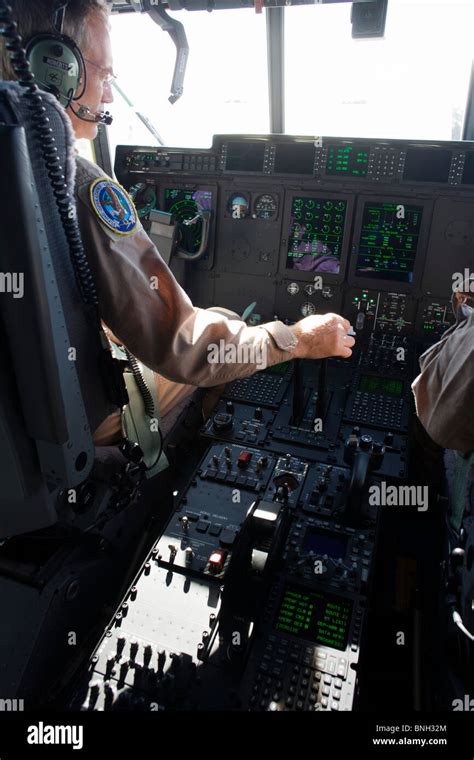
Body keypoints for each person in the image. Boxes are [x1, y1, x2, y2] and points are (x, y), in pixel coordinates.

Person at [0, 0, 355, 447]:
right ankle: (163, 485)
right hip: (61, 426)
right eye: (105, 75)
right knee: (225, 327)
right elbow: (184, 343)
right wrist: (295, 340)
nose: (108, 95)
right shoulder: (70, 183)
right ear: (55, 68)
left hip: (12, 423)